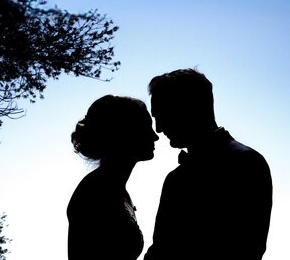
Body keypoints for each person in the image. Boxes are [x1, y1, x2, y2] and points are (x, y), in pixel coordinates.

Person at [145, 68, 272, 259]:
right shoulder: (175, 178)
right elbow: (160, 249)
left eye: (162, 115)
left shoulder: (246, 164)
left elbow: (247, 248)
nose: (159, 128)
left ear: (189, 108)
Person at [68, 95, 160, 260]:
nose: (155, 136)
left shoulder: (118, 190)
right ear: (123, 133)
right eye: (146, 128)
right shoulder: (94, 191)